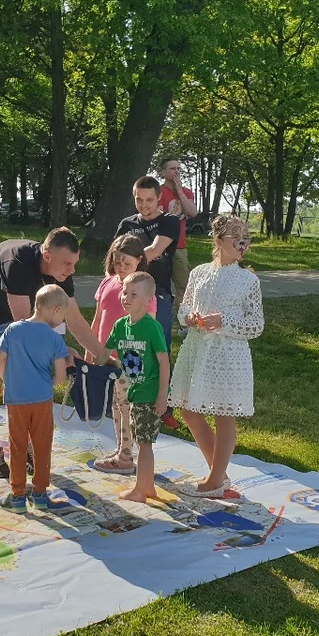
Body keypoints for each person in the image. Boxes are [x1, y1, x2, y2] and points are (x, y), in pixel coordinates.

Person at [0, 227, 105, 479]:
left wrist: (103, 357)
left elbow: (73, 318)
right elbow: (25, 330)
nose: (71, 271)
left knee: (23, 381)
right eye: (67, 264)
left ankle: (25, 447)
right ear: (47, 255)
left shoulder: (61, 272)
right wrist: (59, 350)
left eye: (75, 264)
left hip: (20, 319)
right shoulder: (18, 263)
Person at [169, 215, 264, 498]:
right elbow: (183, 307)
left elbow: (256, 324)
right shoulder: (198, 272)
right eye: (235, 236)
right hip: (198, 350)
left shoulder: (248, 280)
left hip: (228, 353)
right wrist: (190, 317)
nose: (241, 241)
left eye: (245, 236)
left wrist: (224, 321)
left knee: (224, 415)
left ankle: (214, 479)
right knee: (189, 410)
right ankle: (219, 474)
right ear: (218, 240)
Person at [0, 285, 70, 513]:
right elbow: (61, 375)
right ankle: (39, 494)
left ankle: (17, 496)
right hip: (42, 400)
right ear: (56, 310)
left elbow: (0, 362)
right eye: (63, 316)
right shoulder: (55, 338)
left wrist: (10, 380)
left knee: (17, 446)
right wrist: (47, 384)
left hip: (16, 399)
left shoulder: (12, 330)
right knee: (42, 445)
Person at [114, 176, 181, 429]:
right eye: (139, 200)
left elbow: (153, 250)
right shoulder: (126, 224)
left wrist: (133, 266)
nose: (144, 205)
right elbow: (114, 257)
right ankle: (130, 398)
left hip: (157, 295)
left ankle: (164, 406)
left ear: (159, 198)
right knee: (127, 347)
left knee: (159, 349)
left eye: (149, 200)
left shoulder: (169, 222)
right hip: (126, 295)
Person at [90, 234, 157, 474]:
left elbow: (151, 329)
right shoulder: (107, 283)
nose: (120, 267)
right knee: (116, 407)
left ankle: (126, 456)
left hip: (130, 361)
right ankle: (122, 449)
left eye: (126, 263)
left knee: (127, 407)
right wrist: (91, 352)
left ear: (139, 260)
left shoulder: (142, 290)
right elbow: (98, 318)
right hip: (106, 356)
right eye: (117, 261)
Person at [102, 271, 170, 503]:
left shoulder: (152, 328)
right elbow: (103, 353)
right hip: (133, 392)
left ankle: (140, 490)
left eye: (133, 294)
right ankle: (148, 486)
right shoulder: (121, 325)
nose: (125, 297)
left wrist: (162, 396)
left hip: (148, 394)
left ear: (148, 301)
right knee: (142, 441)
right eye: (124, 292)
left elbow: (164, 362)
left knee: (144, 444)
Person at [158, 158, 197, 334]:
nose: (176, 172)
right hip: (160, 246)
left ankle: (183, 325)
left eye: (178, 169)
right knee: (160, 287)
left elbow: (192, 213)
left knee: (183, 286)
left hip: (180, 247)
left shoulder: (186, 192)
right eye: (172, 168)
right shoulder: (158, 191)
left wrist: (180, 191)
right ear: (164, 172)